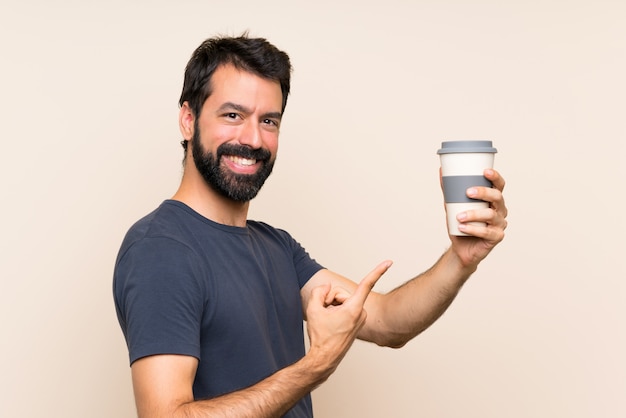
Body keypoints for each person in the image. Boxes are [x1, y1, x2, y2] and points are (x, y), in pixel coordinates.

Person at [113, 34, 508, 418]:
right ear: (188, 119)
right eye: (232, 115)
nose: (253, 139)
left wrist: (461, 259)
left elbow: (388, 321)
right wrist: (315, 365)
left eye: (269, 121)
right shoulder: (161, 250)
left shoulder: (276, 247)